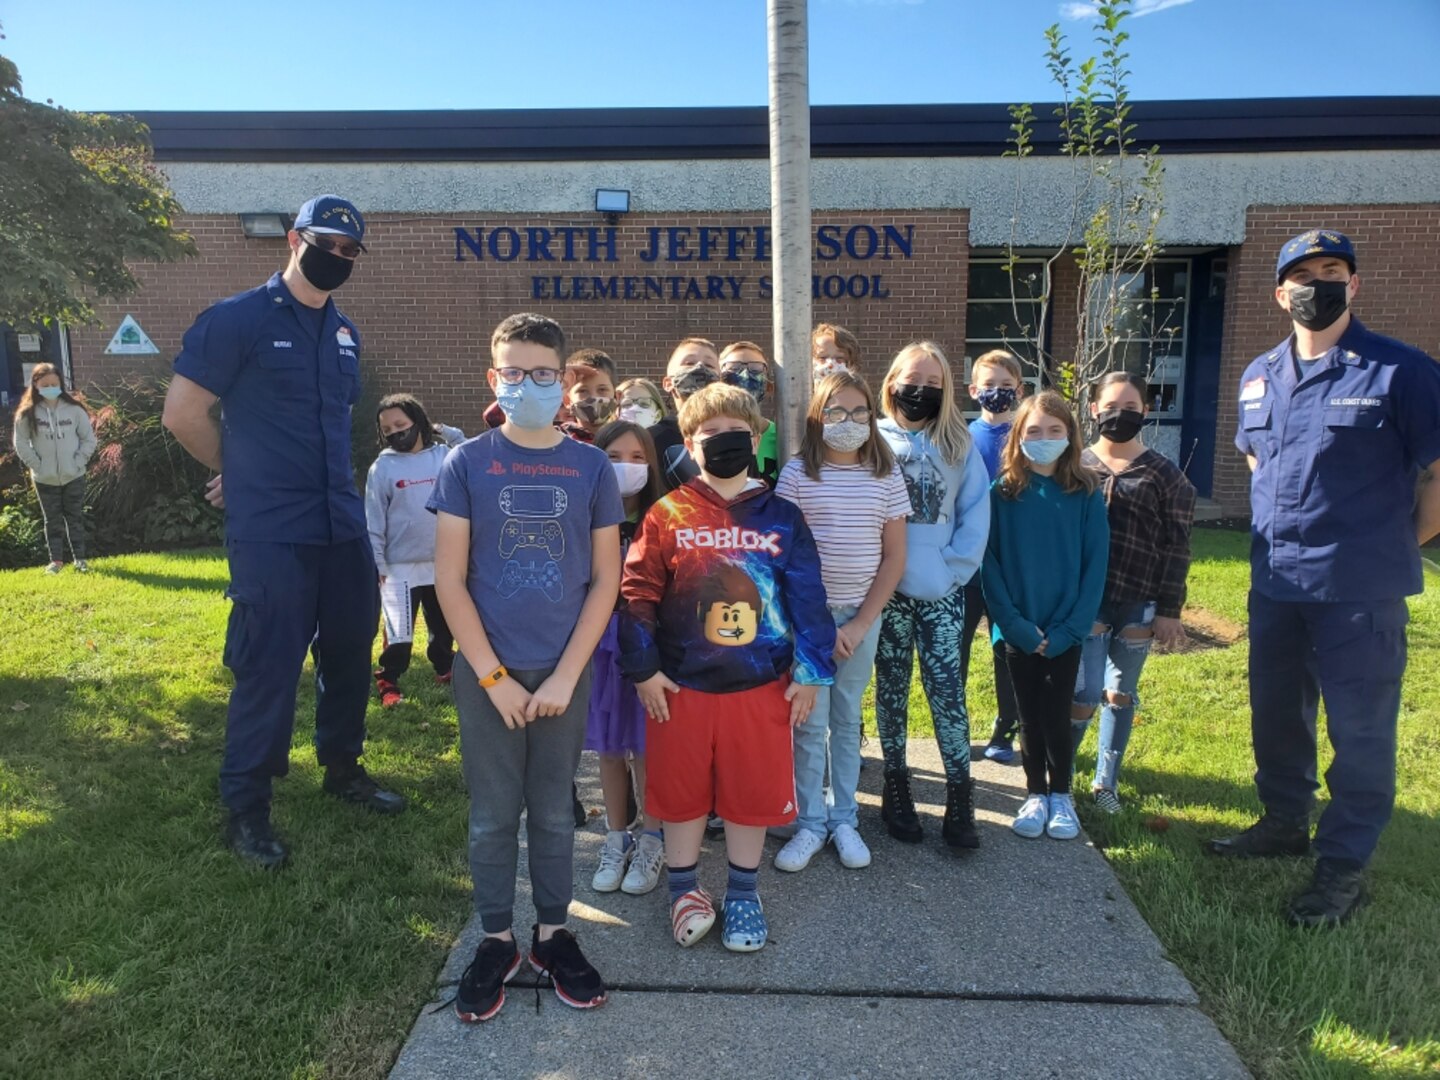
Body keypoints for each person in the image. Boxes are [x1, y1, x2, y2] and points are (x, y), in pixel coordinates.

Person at [162, 194, 404, 869]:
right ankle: (247, 807)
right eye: (328, 244)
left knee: (351, 650)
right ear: (294, 239)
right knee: (268, 664)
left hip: (339, 522)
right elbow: (182, 413)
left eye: (351, 251)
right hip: (272, 528)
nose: (338, 258)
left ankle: (343, 768)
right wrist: (235, 471)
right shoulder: (236, 319)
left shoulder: (345, 333)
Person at [1210, 229, 1440, 928]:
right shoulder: (1259, 375)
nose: (1317, 284)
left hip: (1359, 591)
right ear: (1281, 293)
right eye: (1303, 275)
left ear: (1354, 283)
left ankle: (1342, 866)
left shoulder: (1400, 371)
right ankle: (1283, 821)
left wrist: (1389, 544)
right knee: (1277, 716)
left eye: (1331, 270)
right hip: (1277, 582)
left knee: (1360, 730)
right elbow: (1258, 462)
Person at [430, 312, 622, 1019]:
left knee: (552, 813)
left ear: (564, 381)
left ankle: (551, 932)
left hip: (563, 674)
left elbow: (605, 579)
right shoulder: (467, 464)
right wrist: (491, 677)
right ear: (493, 379)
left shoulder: (590, 466)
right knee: (490, 816)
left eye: (543, 373)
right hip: (490, 678)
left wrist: (569, 674)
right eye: (514, 372)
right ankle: (496, 938)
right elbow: (450, 580)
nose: (528, 383)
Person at [620, 382, 835, 952]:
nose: (724, 440)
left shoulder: (782, 516)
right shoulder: (667, 514)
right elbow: (637, 592)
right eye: (710, 432)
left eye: (736, 430)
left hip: (762, 685)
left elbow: (808, 597)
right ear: (689, 443)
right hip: (680, 685)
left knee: (750, 794)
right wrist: (642, 669)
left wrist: (812, 671)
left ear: (758, 435)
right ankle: (684, 891)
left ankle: (743, 893)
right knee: (683, 794)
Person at [773, 371, 909, 872]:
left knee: (847, 721)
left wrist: (858, 624)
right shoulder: (797, 474)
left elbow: (893, 558)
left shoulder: (886, 474)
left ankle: (844, 818)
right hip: (807, 623)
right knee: (809, 723)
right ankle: (810, 822)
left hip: (861, 619)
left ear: (872, 417)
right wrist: (817, 629)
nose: (847, 422)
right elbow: (783, 557)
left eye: (857, 412)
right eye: (835, 412)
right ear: (817, 418)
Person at [874, 341, 991, 848]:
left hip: (941, 590)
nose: (919, 391)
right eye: (911, 380)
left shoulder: (958, 444)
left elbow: (975, 514)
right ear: (892, 381)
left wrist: (951, 573)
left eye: (933, 384)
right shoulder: (871, 440)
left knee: (947, 692)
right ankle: (895, 784)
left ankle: (959, 794)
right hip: (886, 591)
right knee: (892, 689)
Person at [982, 392, 1109, 842]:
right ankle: (1035, 792)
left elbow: (1095, 568)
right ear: (1017, 437)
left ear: (1071, 436)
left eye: (1055, 430)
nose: (1044, 438)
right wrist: (1013, 624)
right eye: (1033, 430)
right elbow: (990, 564)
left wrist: (1068, 630)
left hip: (1065, 631)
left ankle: (1062, 796)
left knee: (1056, 713)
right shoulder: (1001, 494)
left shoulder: (1087, 493)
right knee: (1028, 714)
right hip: (1019, 628)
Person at [1071, 372, 1195, 812]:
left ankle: (1106, 784)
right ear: (1093, 410)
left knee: (1120, 694)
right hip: (1086, 600)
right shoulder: (1076, 466)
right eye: (1110, 407)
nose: (1118, 416)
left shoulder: (1167, 476)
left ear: (1145, 411)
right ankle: (1060, 780)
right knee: (1083, 696)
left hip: (1138, 601)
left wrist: (1169, 610)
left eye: (1129, 408)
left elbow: (1177, 546)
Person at [586, 420, 668, 895]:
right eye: (615, 457)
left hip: (648, 645)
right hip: (599, 644)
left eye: (639, 459)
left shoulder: (664, 518)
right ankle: (616, 838)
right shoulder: (585, 516)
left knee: (647, 748)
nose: (627, 468)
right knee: (611, 748)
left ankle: (652, 840)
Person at [366, 394, 465, 708]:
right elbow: (374, 518)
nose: (395, 432)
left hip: (442, 563)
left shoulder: (445, 457)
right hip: (398, 566)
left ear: (418, 422)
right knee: (399, 631)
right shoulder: (382, 467)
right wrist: (378, 563)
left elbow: (468, 448)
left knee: (443, 625)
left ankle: (445, 666)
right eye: (387, 429)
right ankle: (388, 679)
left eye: (401, 424)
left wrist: (443, 429)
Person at [964, 350, 1026, 764]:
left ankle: (1006, 730)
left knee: (1007, 652)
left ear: (1020, 390)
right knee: (956, 650)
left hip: (1012, 565)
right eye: (988, 386)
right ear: (973, 391)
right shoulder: (961, 436)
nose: (997, 394)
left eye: (1006, 387)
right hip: (967, 566)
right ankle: (955, 729)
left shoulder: (1029, 438)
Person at [12, 363, 95, 574]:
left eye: (54, 384)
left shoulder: (75, 410)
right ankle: (56, 561)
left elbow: (88, 439)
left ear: (61, 384)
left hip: (73, 475)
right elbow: (20, 443)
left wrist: (78, 462)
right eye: (45, 384)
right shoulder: (27, 413)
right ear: (35, 385)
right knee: (52, 521)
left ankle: (80, 560)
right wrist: (37, 465)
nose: (50, 387)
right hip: (44, 478)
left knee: (75, 518)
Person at [650, 337, 720, 488]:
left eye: (709, 365)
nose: (700, 367)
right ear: (668, 383)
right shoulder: (651, 438)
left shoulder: (731, 434)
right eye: (689, 363)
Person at [719, 340, 778, 485]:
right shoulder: (708, 435)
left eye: (756, 369)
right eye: (733, 367)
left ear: (769, 387)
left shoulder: (782, 437)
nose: (745, 374)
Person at [562, 348, 619, 442]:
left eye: (602, 389)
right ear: (567, 400)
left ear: (616, 397)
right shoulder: (559, 439)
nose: (593, 397)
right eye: (583, 391)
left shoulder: (624, 439)